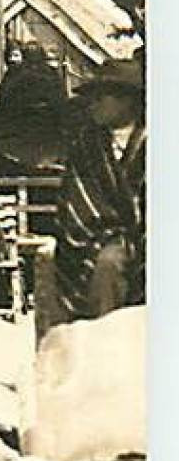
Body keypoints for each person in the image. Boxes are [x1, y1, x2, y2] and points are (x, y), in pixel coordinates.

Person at [51, 58, 145, 325]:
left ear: (129, 101)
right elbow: (78, 201)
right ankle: (105, 338)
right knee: (108, 264)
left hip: (150, 238)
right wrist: (111, 236)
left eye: (101, 97)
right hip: (98, 238)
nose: (92, 104)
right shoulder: (87, 145)